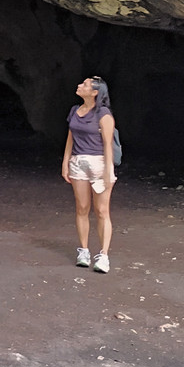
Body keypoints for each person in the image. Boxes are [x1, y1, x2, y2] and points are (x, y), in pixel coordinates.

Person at [61, 75, 117, 273]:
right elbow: (70, 137)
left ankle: (103, 256)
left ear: (95, 92)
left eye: (84, 84)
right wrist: (66, 162)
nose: (79, 85)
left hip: (98, 163)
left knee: (102, 211)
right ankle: (83, 251)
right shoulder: (75, 111)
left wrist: (108, 171)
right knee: (82, 208)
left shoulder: (103, 114)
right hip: (78, 163)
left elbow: (108, 144)